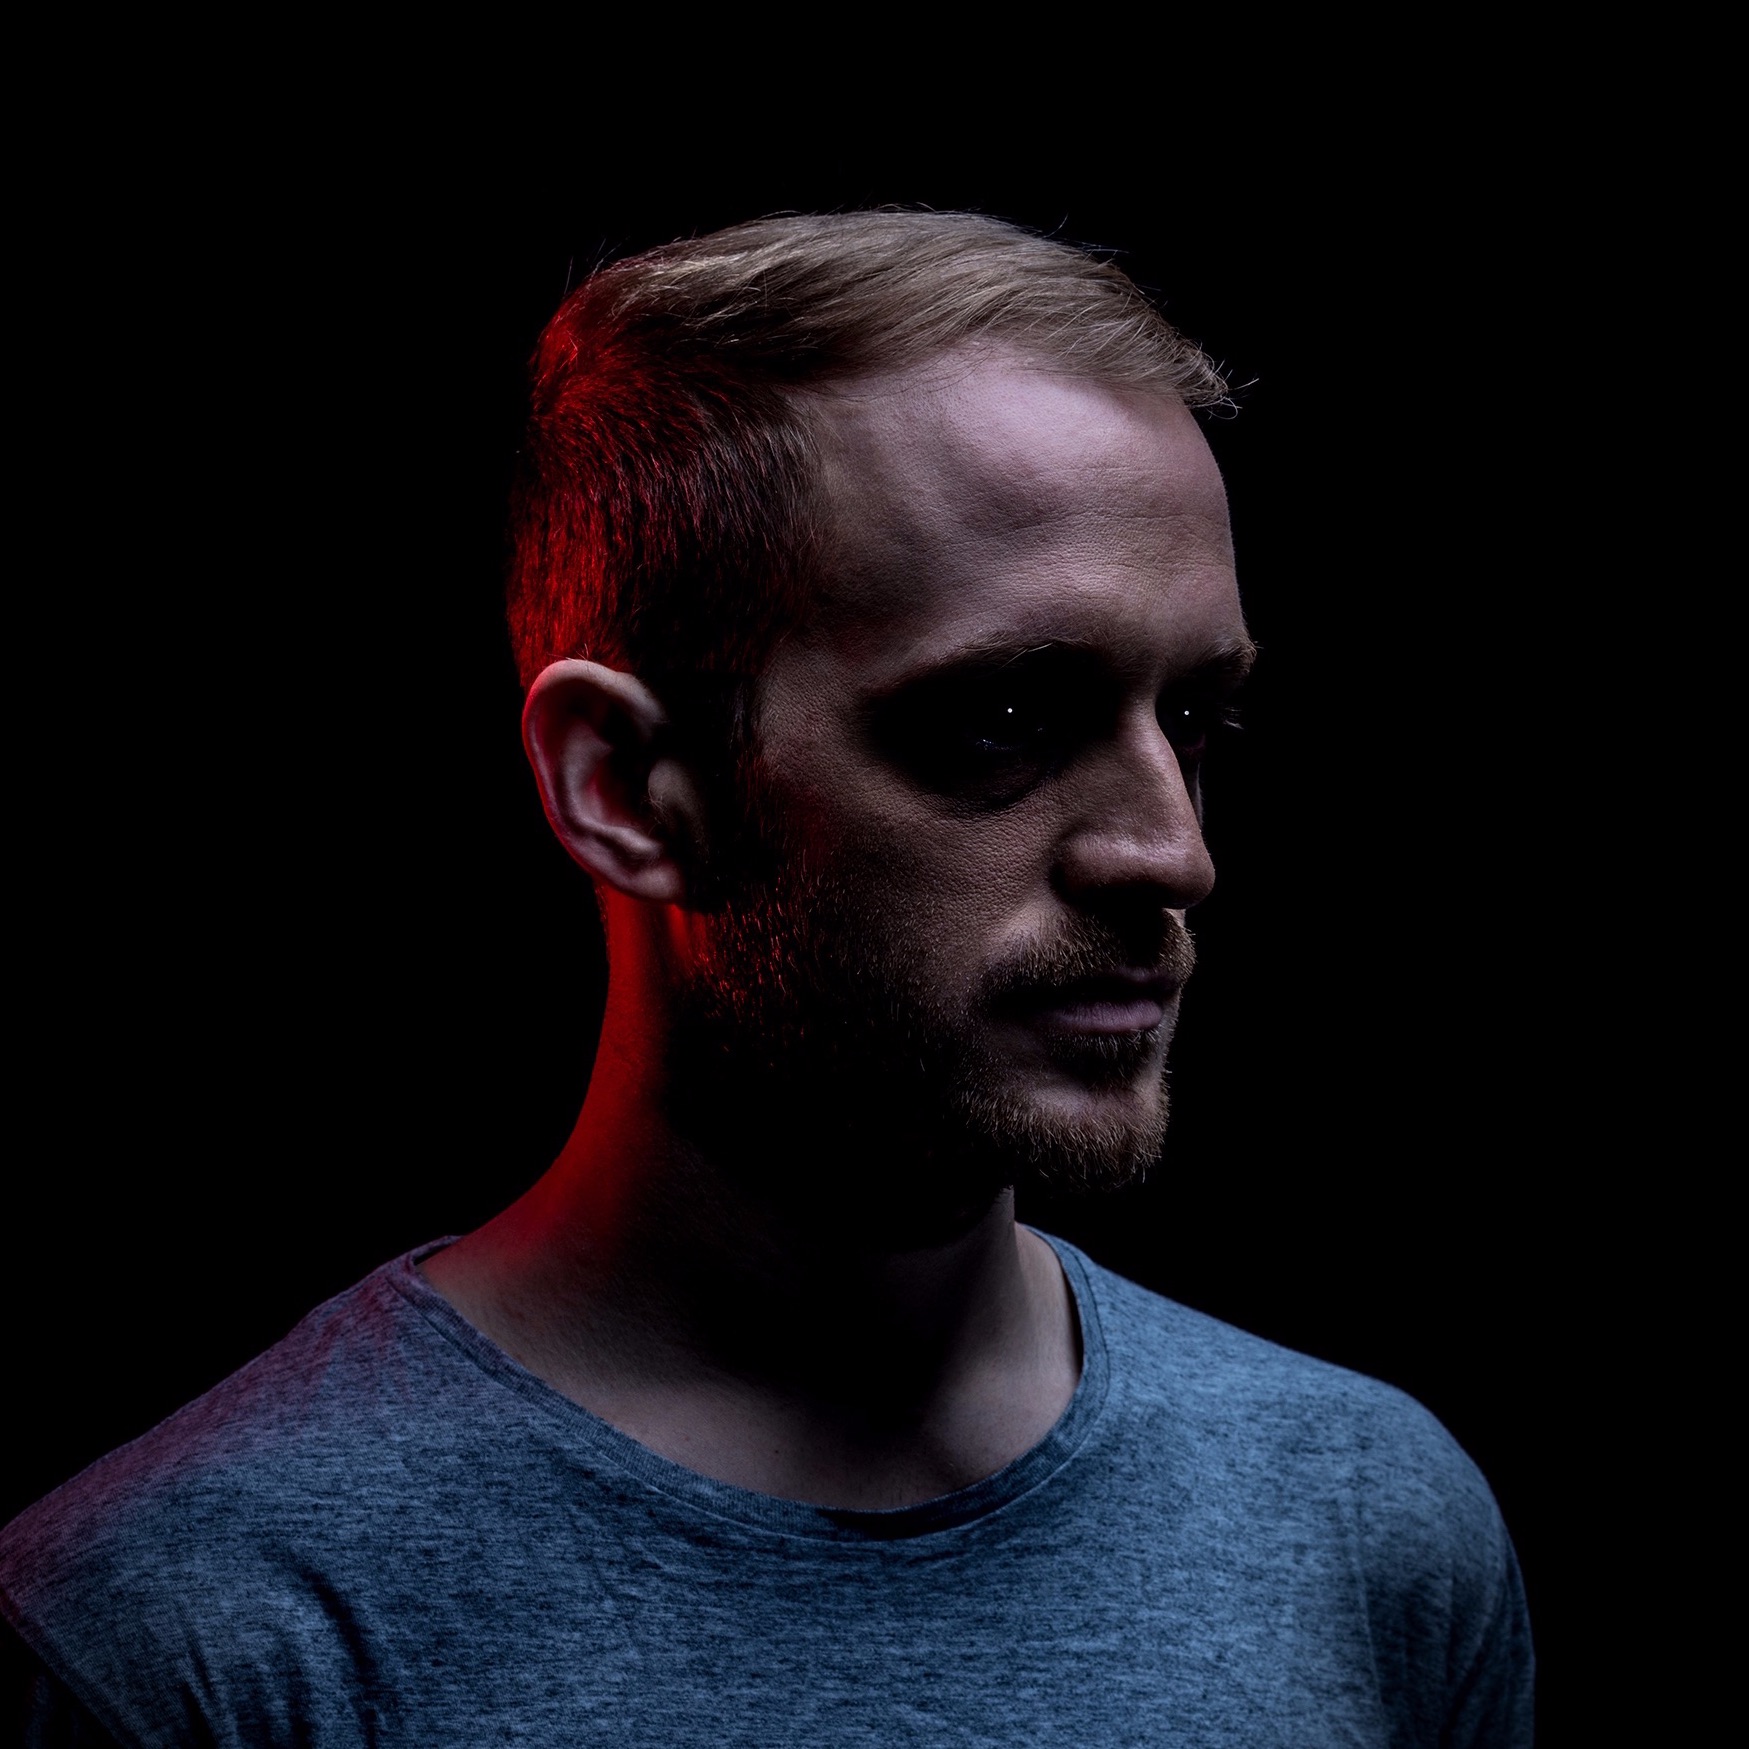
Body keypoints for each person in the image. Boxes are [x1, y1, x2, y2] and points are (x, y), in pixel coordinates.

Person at [1, 211, 1533, 1745]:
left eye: (1193, 720)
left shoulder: (1368, 1526)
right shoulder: (204, 1628)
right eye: (1003, 716)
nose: (1168, 852)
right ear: (627, 785)